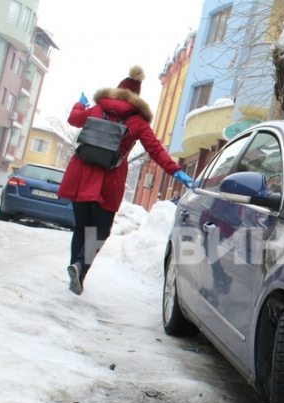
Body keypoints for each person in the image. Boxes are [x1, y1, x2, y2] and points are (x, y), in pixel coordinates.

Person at [58, 66, 194, 295]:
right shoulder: (138, 121)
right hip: (109, 179)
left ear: (117, 91)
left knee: (81, 227)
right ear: (136, 98)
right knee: (100, 230)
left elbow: (74, 119)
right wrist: (176, 171)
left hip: (81, 174)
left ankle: (76, 269)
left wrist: (80, 104)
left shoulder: (98, 107)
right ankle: (80, 268)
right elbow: (156, 150)